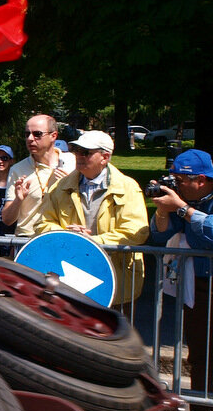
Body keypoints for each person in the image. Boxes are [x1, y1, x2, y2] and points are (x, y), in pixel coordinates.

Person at [37, 131, 148, 305]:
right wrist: (69, 236)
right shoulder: (60, 187)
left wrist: (94, 242)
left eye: (86, 152)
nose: (79, 156)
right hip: (70, 278)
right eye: (77, 150)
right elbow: (42, 224)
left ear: (105, 157)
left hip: (115, 279)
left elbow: (136, 231)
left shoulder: (128, 187)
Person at [148, 149, 213, 411]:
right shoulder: (182, 199)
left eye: (180, 178)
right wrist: (164, 210)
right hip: (196, 286)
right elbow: (160, 236)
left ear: (201, 180)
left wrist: (184, 209)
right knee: (199, 354)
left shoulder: (195, 203)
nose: (175, 183)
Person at [1, 114, 76, 236]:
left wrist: (69, 187)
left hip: (65, 238)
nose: (30, 138)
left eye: (37, 134)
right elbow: (7, 220)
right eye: (27, 134)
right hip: (28, 239)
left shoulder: (74, 163)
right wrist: (18, 200)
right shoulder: (17, 169)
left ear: (53, 136)